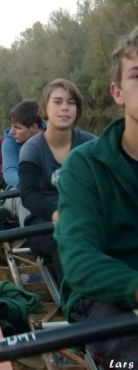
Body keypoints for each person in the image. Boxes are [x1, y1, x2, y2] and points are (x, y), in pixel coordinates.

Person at [54, 28, 138, 364]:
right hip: (102, 293)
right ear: (117, 93)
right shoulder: (84, 165)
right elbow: (79, 262)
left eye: (69, 103)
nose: (65, 109)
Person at [17, 79, 95, 281]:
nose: (65, 108)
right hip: (43, 222)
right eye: (58, 102)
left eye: (71, 103)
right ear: (45, 108)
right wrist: (56, 215)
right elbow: (28, 195)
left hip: (83, 217)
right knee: (65, 241)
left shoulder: (91, 144)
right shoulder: (32, 148)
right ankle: (76, 304)